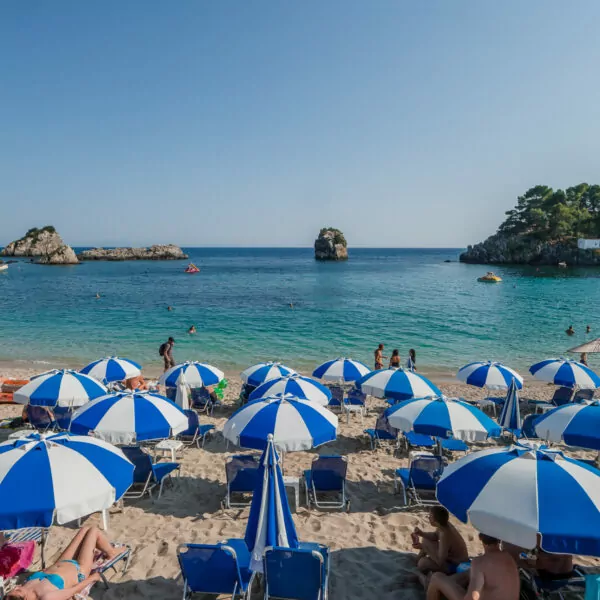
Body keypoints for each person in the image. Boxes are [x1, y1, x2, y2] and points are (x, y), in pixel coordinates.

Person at [6, 526, 120, 600]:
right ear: (24, 598)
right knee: (93, 531)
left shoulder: (24, 589)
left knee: (85, 529)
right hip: (79, 569)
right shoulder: (46, 597)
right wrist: (93, 578)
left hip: (61, 562)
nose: (16, 587)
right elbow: (73, 591)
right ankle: (112, 553)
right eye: (18, 590)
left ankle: (105, 549)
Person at [426, 533, 519, 600]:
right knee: (469, 573)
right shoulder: (509, 557)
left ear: (480, 537)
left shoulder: (480, 562)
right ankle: (446, 583)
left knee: (436, 578)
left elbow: (471, 598)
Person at [413, 506, 469, 585]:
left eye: (430, 516)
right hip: (450, 559)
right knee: (426, 539)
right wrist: (421, 533)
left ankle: (418, 566)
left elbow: (440, 561)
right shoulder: (444, 525)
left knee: (423, 562)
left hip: (456, 565)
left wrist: (424, 547)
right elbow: (435, 536)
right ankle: (416, 562)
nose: (428, 518)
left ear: (435, 520)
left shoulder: (444, 534)